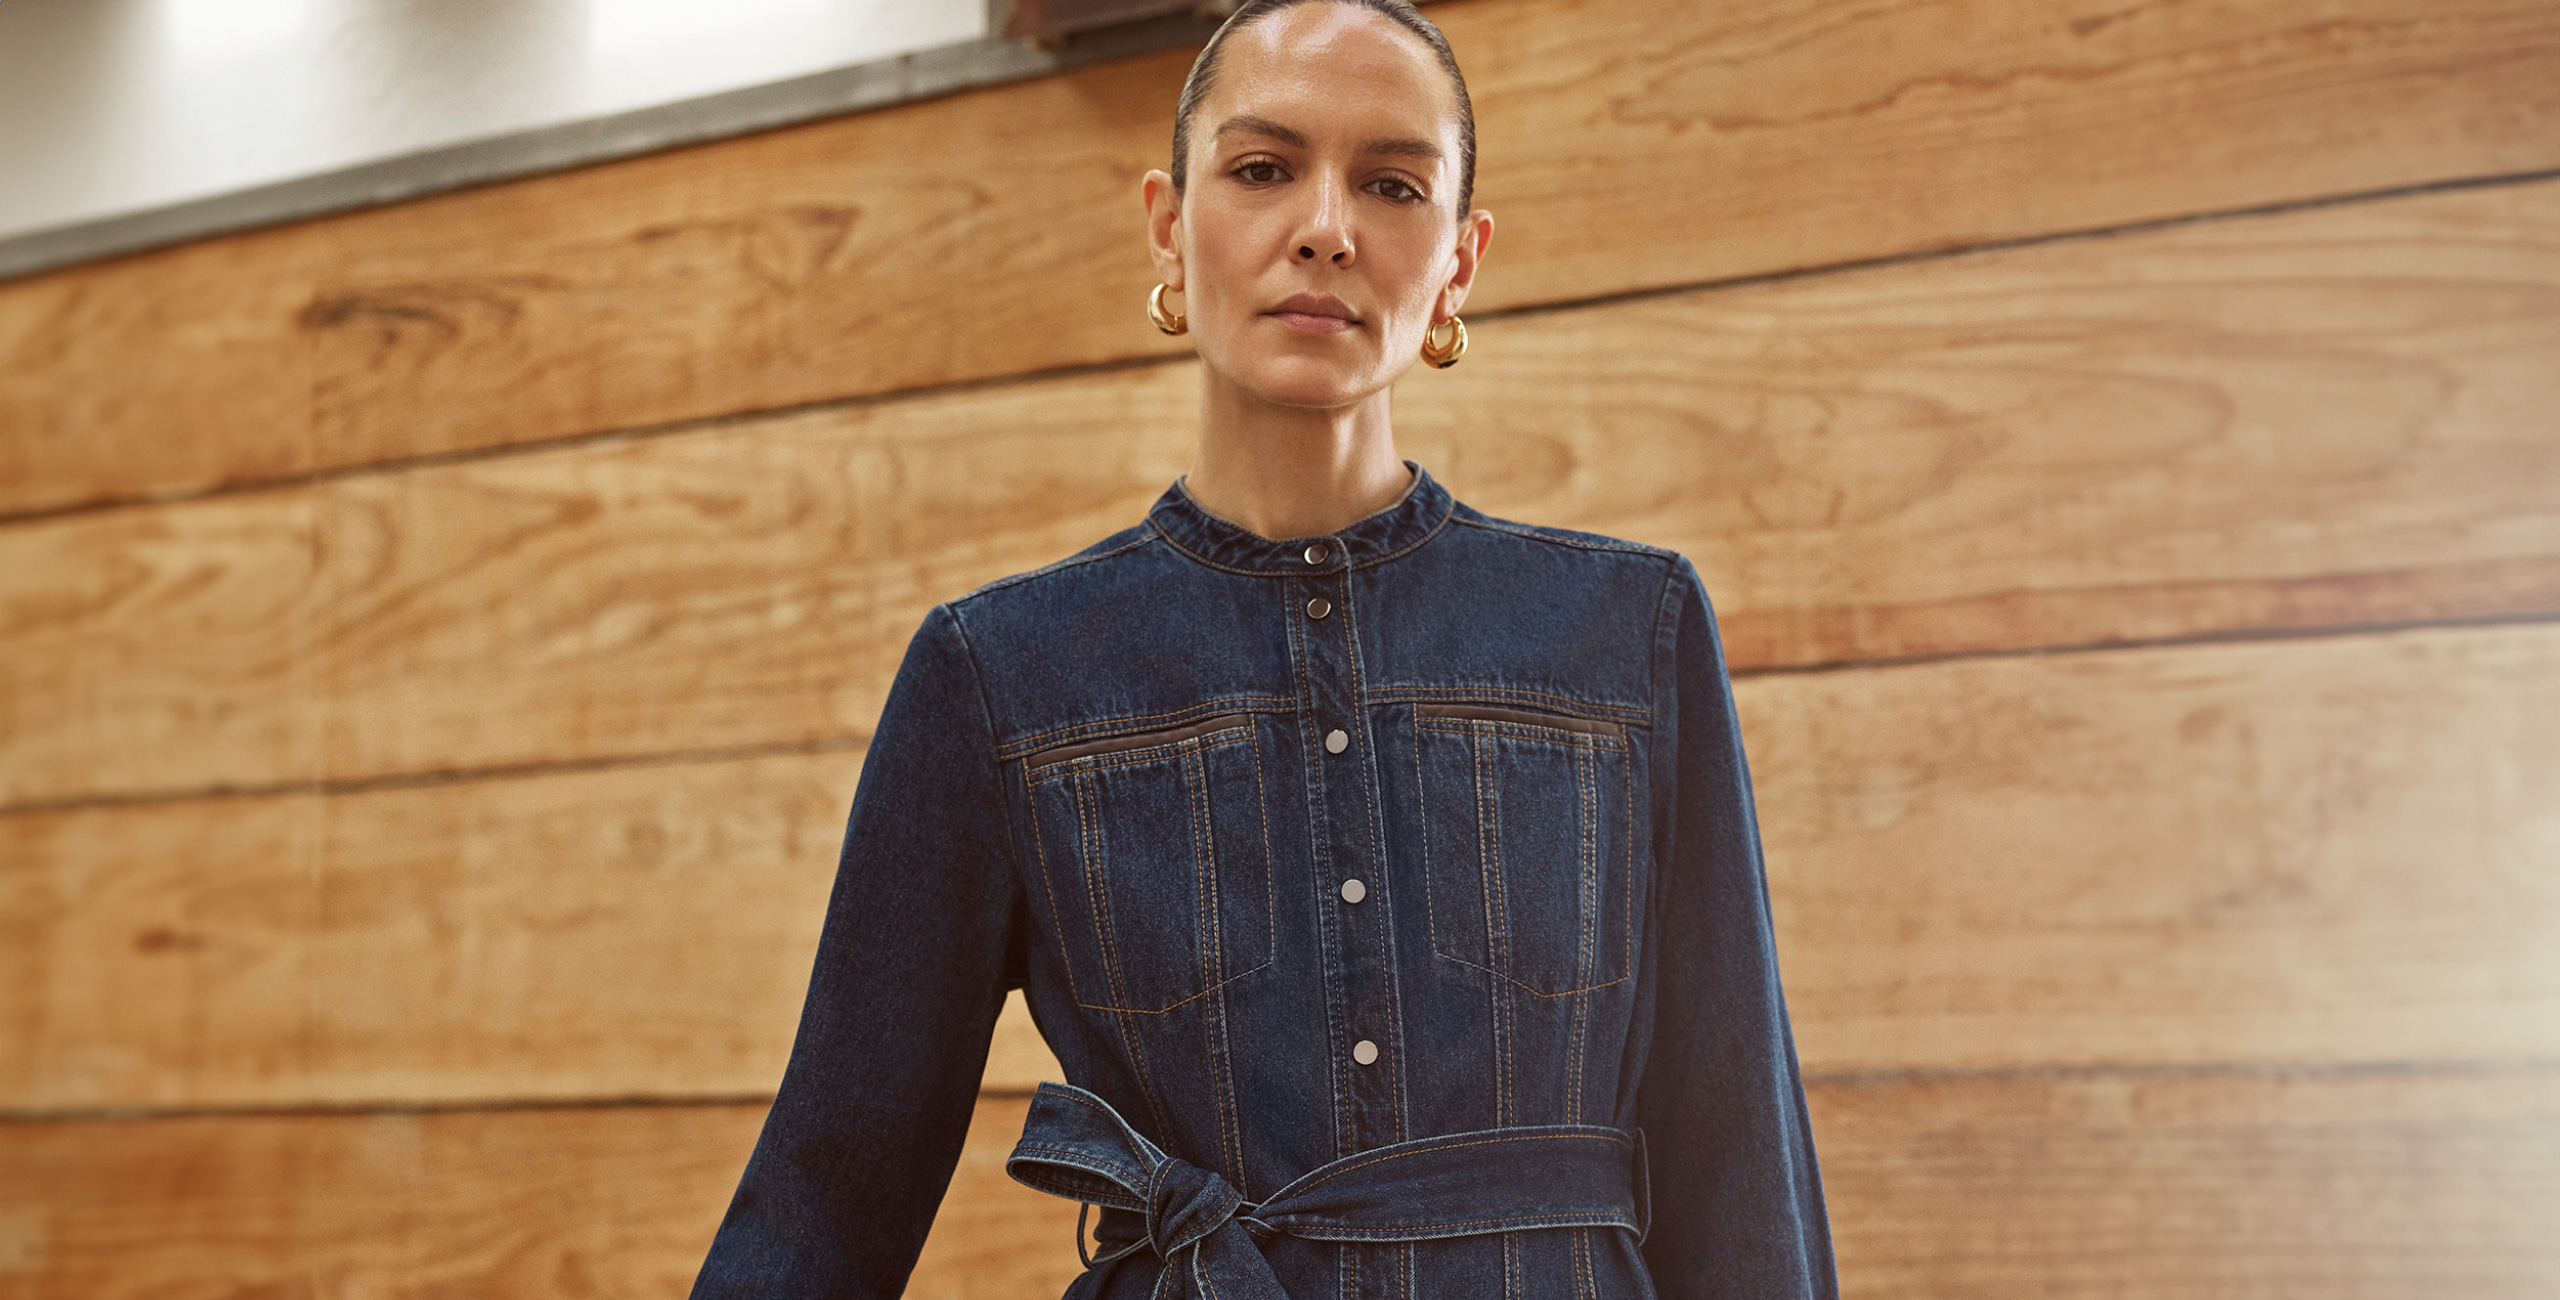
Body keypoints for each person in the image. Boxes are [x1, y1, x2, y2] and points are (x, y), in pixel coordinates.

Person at [688, 1, 1838, 1296]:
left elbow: (1742, 1168)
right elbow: (830, 1190)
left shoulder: (1628, 636)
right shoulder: (998, 675)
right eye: (1262, 168)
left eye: (1393, 184)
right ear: (1171, 226)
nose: (1327, 226)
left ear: (1459, 259)